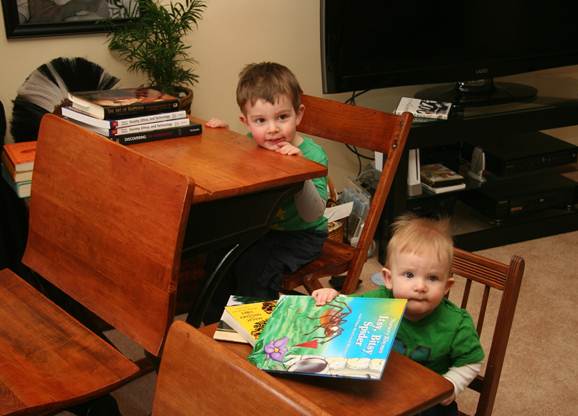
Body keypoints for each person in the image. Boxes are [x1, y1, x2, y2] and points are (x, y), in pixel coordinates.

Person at [312, 214, 484, 416]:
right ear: (388, 278)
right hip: (382, 389)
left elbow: (472, 360)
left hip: (428, 402)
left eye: (433, 278)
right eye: (409, 275)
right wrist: (332, 297)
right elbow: (346, 315)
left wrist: (452, 384)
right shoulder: (379, 301)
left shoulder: (456, 323)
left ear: (447, 286)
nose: (420, 286)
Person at [202, 62, 328, 321]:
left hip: (301, 235)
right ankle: (214, 325)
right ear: (246, 122)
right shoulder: (250, 145)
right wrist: (222, 139)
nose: (272, 129)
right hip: (259, 229)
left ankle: (256, 328)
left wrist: (300, 173)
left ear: (299, 114)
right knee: (219, 254)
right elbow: (231, 171)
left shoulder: (313, 156)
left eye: (282, 117)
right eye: (260, 120)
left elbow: (312, 214)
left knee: (256, 265)